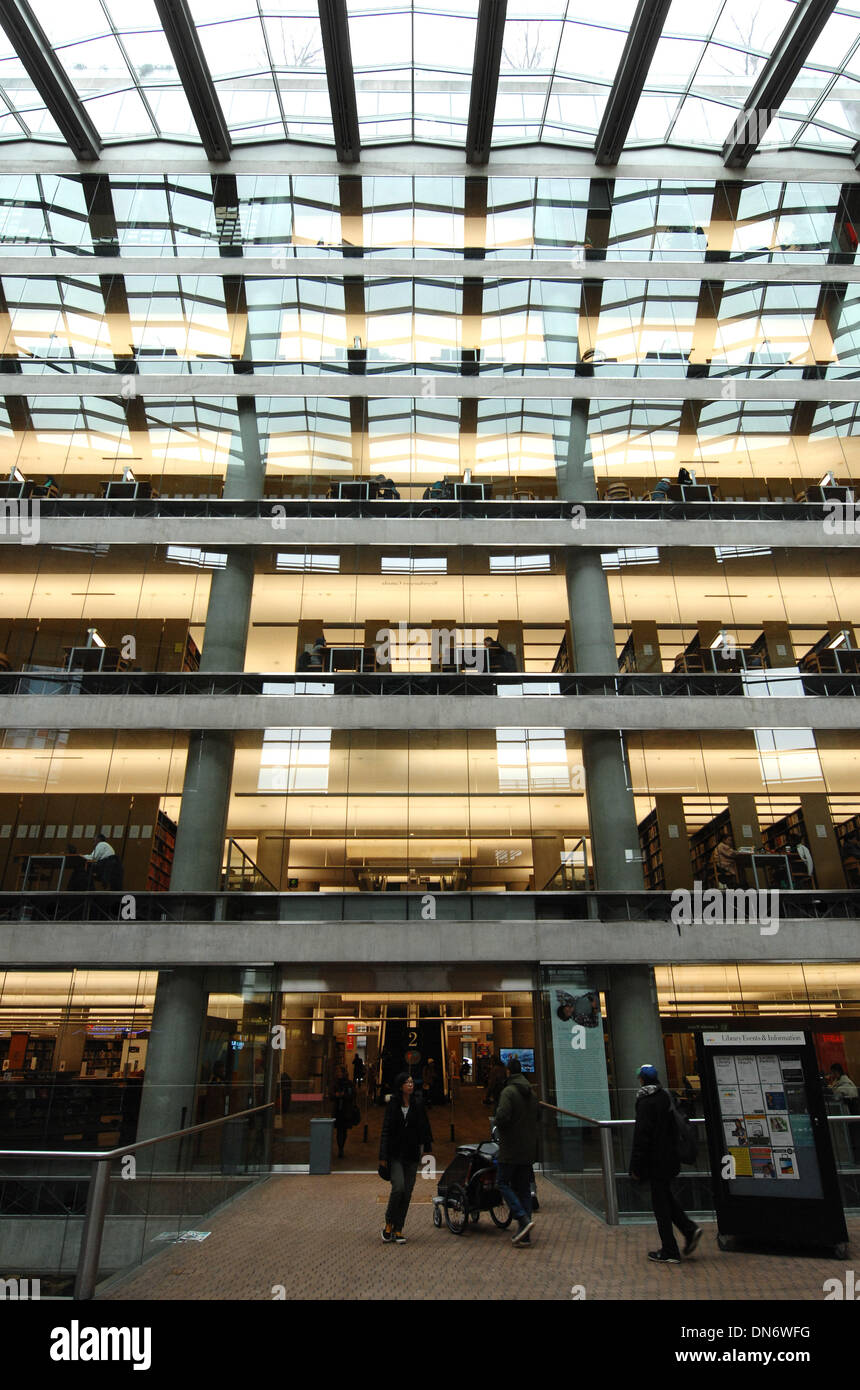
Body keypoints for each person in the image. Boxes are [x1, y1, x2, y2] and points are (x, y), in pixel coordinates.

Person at [629, 1063, 701, 1264]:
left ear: (642, 1079)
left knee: (660, 1206)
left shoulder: (646, 1102)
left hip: (655, 1161)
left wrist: (635, 1166)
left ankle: (670, 1249)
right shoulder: (666, 1097)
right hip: (670, 1158)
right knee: (665, 1197)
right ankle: (689, 1230)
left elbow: (641, 1137)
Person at [379, 1071, 432, 1243]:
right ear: (400, 1085)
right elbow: (386, 1130)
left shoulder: (417, 1103)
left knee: (407, 1192)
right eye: (407, 1082)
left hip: (411, 1152)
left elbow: (424, 1126)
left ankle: (399, 1228)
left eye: (411, 1082)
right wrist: (383, 1155)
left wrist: (427, 1148)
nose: (410, 1084)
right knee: (398, 1188)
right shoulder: (393, 1104)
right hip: (395, 1153)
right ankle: (389, 1222)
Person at [493, 1056, 538, 1245]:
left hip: (511, 1147)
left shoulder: (509, 1092)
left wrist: (497, 1122)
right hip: (528, 1148)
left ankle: (521, 1217)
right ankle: (524, 1234)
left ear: (509, 1072)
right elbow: (537, 1116)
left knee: (502, 1182)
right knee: (524, 1189)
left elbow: (502, 1116)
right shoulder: (531, 1093)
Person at [331, 1064, 355, 1160]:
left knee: (343, 1130)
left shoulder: (349, 1083)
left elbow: (353, 1094)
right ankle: (340, 1147)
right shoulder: (335, 1083)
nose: (339, 1074)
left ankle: (341, 1147)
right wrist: (336, 1095)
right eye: (338, 1072)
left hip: (345, 1109)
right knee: (339, 1130)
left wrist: (344, 1095)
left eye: (341, 1072)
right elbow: (331, 1095)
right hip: (338, 1109)